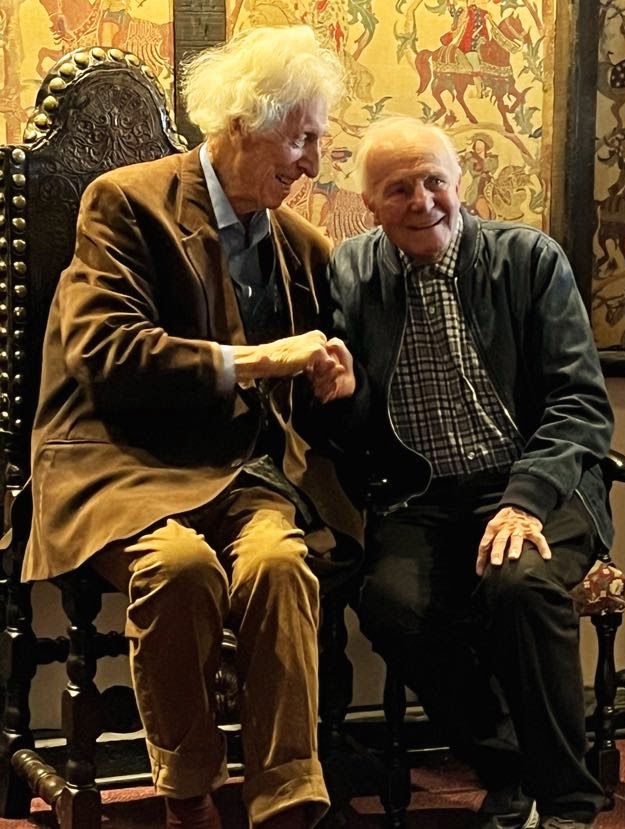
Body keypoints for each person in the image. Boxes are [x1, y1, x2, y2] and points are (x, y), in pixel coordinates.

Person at [22, 25, 364, 829]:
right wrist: (258, 360)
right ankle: (188, 794)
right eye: (301, 139)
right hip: (121, 465)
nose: (312, 164)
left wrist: (333, 383)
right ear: (245, 120)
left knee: (280, 565)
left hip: (241, 473)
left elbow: (312, 396)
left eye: (318, 141)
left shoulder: (301, 246)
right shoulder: (125, 202)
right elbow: (106, 351)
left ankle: (286, 801)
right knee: (178, 568)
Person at [319, 117, 613, 829]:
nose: (421, 201)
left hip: (537, 480)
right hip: (422, 497)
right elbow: (354, 432)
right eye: (398, 189)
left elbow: (579, 402)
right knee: (391, 606)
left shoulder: (529, 259)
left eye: (434, 181)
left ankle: (568, 803)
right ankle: (509, 767)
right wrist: (344, 396)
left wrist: (523, 500)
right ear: (368, 204)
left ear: (460, 183)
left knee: (520, 581)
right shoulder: (349, 274)